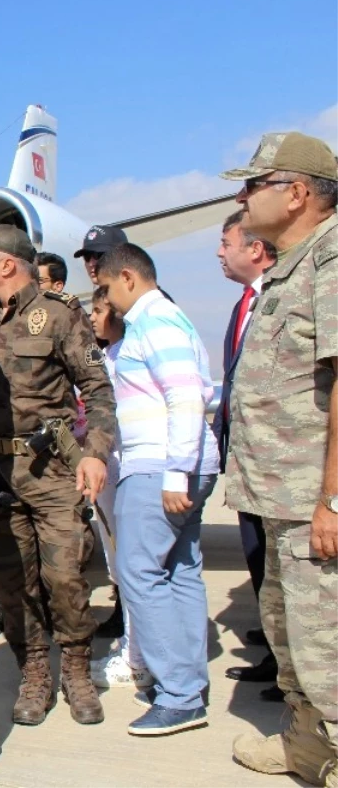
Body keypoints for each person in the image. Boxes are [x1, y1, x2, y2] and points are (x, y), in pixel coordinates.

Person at [0, 224, 116, 727]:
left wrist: (94, 453)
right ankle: (33, 670)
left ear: (7, 263)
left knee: (65, 576)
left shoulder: (59, 315)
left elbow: (98, 391)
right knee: (12, 582)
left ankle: (74, 666)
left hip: (51, 469)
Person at [220, 132, 338, 785]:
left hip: (310, 501)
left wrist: (333, 499)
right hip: (277, 498)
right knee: (291, 641)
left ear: (296, 193)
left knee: (329, 645)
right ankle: (307, 747)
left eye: (253, 184)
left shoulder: (333, 258)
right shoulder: (291, 268)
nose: (241, 196)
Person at [97, 244, 220, 737]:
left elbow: (186, 395)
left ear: (127, 277)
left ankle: (179, 695)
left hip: (159, 466)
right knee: (180, 572)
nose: (105, 301)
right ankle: (188, 683)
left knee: (138, 573)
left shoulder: (156, 321)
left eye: (105, 289)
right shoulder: (166, 319)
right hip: (177, 464)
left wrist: (174, 474)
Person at [213, 210, 282, 701]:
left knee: (279, 563)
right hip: (250, 463)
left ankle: (288, 664)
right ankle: (279, 647)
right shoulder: (246, 303)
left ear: (255, 249)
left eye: (227, 243)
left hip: (279, 466)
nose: (220, 252)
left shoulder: (280, 298)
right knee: (259, 557)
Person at [86, 286, 151, 692]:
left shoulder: (127, 354)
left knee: (133, 567)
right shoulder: (108, 355)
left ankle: (137, 660)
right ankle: (136, 651)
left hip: (125, 471)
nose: (91, 319)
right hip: (112, 474)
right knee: (121, 566)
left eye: (96, 311)